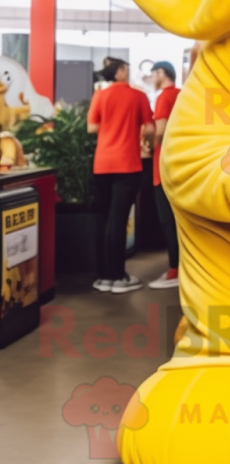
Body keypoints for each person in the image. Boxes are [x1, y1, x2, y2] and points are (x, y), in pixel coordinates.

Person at [88, 57, 154, 293]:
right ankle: (119, 277)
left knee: (105, 219)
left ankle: (104, 277)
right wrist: (144, 141)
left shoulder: (100, 96)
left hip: (102, 164)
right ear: (120, 71)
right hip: (127, 164)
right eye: (126, 67)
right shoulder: (138, 96)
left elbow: (92, 127)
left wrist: (110, 126)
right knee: (118, 219)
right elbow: (149, 128)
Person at [148, 61, 181, 289]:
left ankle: (174, 269)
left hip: (164, 165)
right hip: (182, 165)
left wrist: (150, 146)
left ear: (162, 73)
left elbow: (159, 131)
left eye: (153, 73)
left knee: (167, 221)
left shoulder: (164, 97)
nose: (151, 78)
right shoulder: (183, 94)